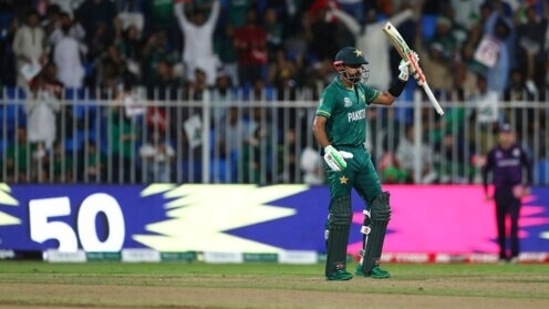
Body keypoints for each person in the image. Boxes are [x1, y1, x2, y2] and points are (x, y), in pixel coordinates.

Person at [312, 46, 414, 280]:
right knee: (341, 211)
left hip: (361, 155)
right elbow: (317, 125)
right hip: (341, 156)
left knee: (379, 206)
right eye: (355, 66)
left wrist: (402, 76)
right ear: (340, 67)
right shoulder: (332, 93)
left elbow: (387, 99)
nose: (359, 70)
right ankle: (336, 268)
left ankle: (368, 265)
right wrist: (328, 150)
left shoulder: (360, 90)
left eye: (360, 66)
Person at [482, 123, 532, 264]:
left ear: (513, 135)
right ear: (500, 136)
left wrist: (526, 186)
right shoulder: (494, 152)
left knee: (514, 223)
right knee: (500, 224)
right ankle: (502, 255)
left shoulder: (518, 150)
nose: (506, 137)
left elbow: (528, 167)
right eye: (504, 134)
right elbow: (486, 171)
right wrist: (486, 190)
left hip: (515, 191)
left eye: (508, 134)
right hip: (500, 191)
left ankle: (515, 255)